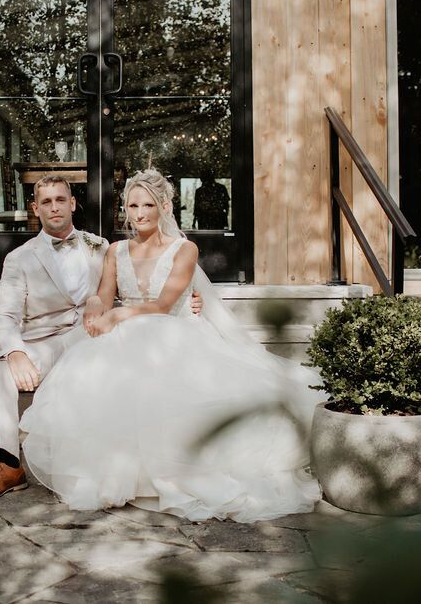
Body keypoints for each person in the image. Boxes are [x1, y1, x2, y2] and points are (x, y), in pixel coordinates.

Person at [20, 169, 327, 522]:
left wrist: (118, 317)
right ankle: (123, 473)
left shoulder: (185, 249)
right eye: (133, 205)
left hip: (173, 334)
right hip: (127, 337)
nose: (139, 213)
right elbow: (105, 295)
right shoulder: (116, 251)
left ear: (163, 206)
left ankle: (172, 471)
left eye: (148, 204)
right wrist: (95, 305)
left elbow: (163, 306)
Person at [0, 174, 200, 498]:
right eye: (46, 202)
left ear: (73, 204)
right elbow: (4, 316)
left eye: (61, 200)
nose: (54, 207)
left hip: (92, 337)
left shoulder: (99, 245)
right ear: (35, 209)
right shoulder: (19, 259)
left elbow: (123, 290)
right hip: (46, 342)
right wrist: (15, 352)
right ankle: (7, 464)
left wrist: (188, 300)